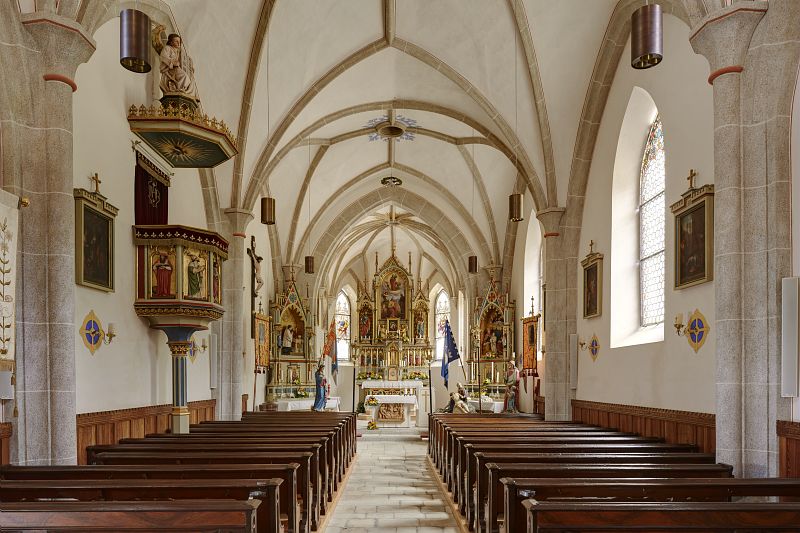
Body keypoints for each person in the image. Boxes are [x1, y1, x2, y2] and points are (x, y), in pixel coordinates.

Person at [159, 34, 199, 101]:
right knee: (184, 76)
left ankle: (190, 93)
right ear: (171, 42)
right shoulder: (167, 48)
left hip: (177, 69)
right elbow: (163, 57)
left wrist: (190, 68)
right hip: (170, 69)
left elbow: (185, 61)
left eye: (179, 41)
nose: (178, 43)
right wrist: (172, 62)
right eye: (176, 41)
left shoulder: (180, 52)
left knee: (191, 78)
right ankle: (180, 89)